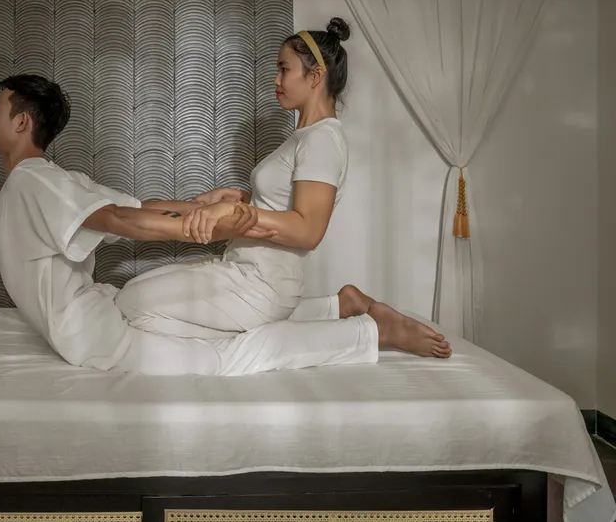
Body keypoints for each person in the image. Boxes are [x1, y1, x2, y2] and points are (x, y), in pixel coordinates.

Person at [0, 73, 450, 376]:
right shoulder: (47, 182)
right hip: (97, 320)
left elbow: (123, 214)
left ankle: (369, 332)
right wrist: (203, 213)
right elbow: (130, 210)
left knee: (226, 359)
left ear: (22, 122)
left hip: (96, 336)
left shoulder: (38, 181)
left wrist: (207, 219)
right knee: (209, 327)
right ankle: (333, 309)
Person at [113, 19, 450, 360]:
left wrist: (237, 211)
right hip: (246, 268)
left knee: (132, 304)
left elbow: (308, 230)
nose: (276, 79)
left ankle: (369, 332)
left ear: (315, 76)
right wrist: (239, 198)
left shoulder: (321, 140)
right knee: (134, 292)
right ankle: (337, 308)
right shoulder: (305, 137)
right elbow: (284, 204)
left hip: (262, 284)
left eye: (284, 69)